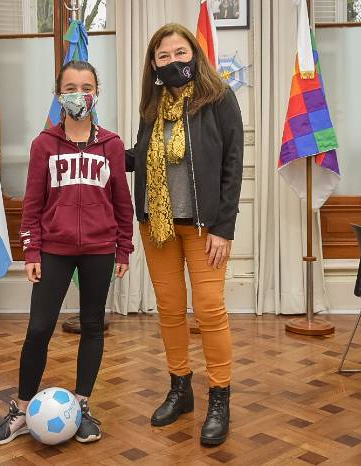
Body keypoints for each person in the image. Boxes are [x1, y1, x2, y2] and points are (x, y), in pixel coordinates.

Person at [0, 61, 134, 446]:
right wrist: (31, 250)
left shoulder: (112, 145)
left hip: (101, 249)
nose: (78, 94)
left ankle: (81, 405)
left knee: (92, 326)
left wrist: (124, 248)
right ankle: (20, 408)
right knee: (38, 330)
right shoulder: (43, 145)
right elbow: (33, 202)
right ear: (58, 95)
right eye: (70, 87)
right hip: (53, 249)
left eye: (86, 87)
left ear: (96, 92)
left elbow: (122, 201)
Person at [126, 23, 243, 445]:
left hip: (203, 226)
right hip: (156, 224)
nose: (173, 61)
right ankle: (180, 389)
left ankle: (220, 396)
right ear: (154, 66)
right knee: (170, 309)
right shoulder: (151, 107)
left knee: (210, 310)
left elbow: (233, 164)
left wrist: (224, 228)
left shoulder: (219, 99)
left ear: (194, 55)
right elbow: (140, 158)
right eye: (163, 56)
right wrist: (94, 149)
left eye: (180, 53)